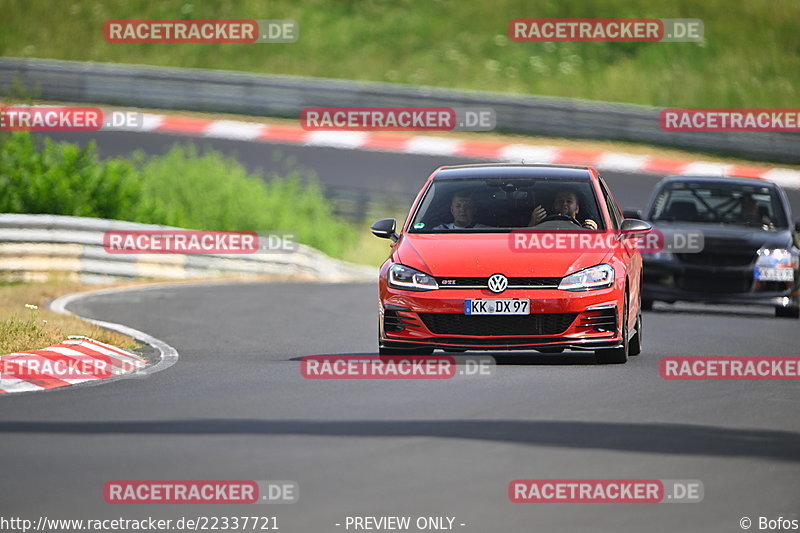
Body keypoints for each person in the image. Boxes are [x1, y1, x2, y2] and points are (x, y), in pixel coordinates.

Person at [529, 189, 598, 229]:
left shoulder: (583, 229)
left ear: (577, 208)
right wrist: (533, 223)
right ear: (554, 206)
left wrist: (592, 231)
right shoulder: (542, 227)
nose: (564, 204)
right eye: (560, 201)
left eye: (569, 201)